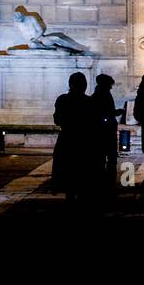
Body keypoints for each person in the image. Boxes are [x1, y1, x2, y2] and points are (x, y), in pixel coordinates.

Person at [52, 71, 96, 201]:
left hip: (67, 138)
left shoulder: (62, 100)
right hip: (84, 141)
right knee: (83, 174)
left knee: (68, 174)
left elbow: (57, 120)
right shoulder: (89, 101)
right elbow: (93, 122)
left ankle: (70, 200)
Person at [91, 73, 120, 196]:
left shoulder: (99, 94)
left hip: (105, 130)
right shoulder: (101, 95)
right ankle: (107, 184)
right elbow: (105, 112)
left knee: (104, 159)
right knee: (108, 159)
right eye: (109, 85)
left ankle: (104, 183)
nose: (111, 87)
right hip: (105, 132)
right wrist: (115, 113)